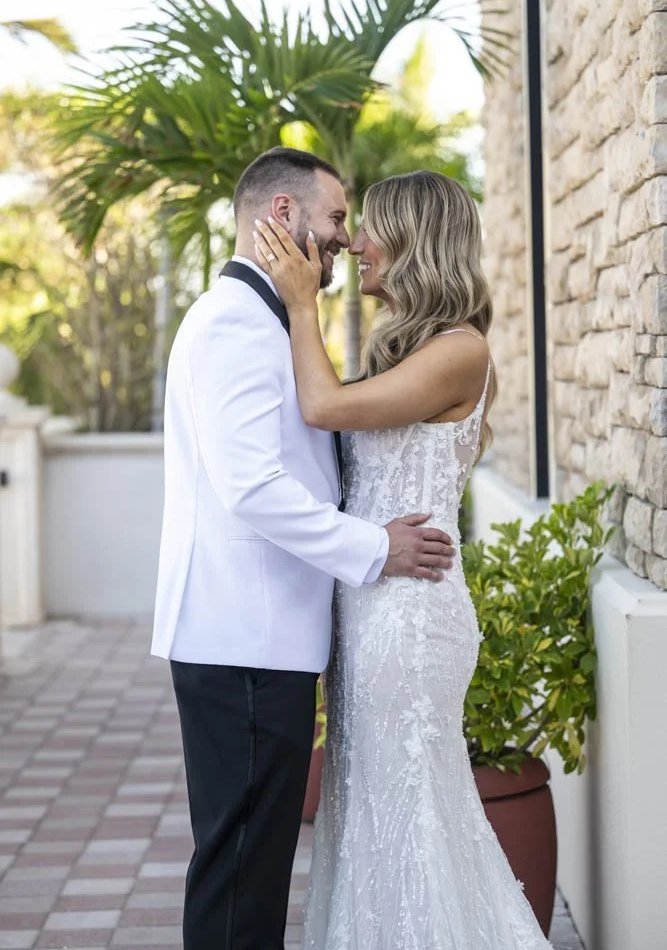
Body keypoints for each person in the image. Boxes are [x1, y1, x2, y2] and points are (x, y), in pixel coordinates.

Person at [150, 148, 456, 950]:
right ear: (282, 219)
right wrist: (372, 550)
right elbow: (251, 487)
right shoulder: (235, 324)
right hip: (244, 639)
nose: (344, 240)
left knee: (251, 866)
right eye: (333, 220)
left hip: (260, 638)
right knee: (241, 871)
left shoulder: (264, 320)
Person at [253, 170, 553, 949]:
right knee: (367, 814)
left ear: (417, 241)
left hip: (410, 621)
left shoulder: (461, 351)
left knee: (411, 812)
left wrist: (297, 301)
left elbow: (322, 406)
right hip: (368, 610)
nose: (353, 241)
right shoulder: (403, 350)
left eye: (370, 226)